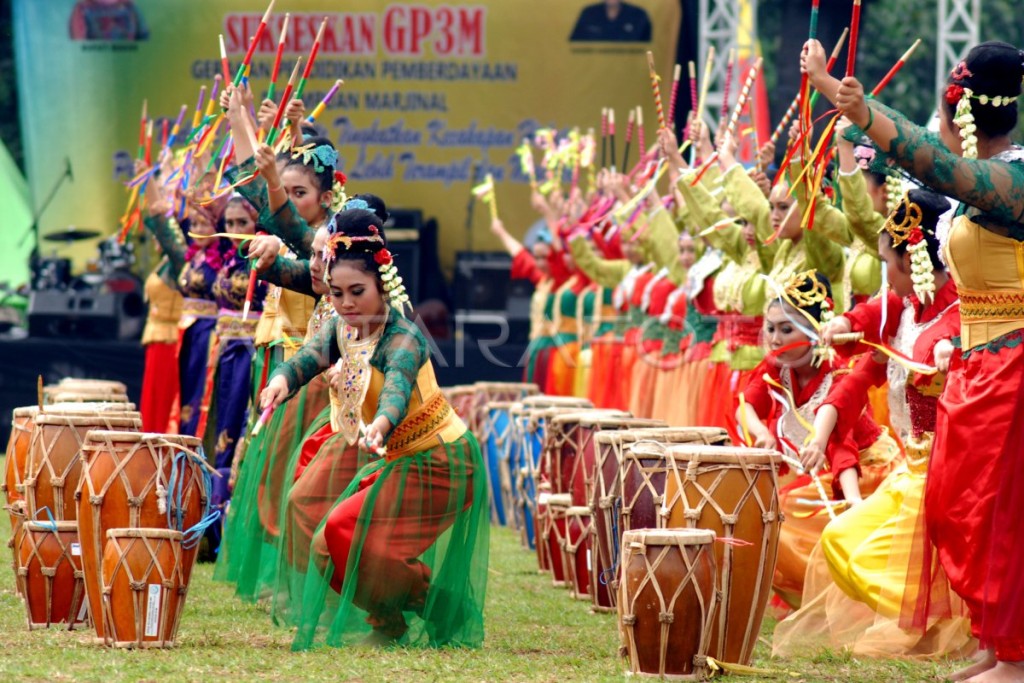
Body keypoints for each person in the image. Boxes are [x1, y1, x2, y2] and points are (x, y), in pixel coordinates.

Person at [804, 38, 1024, 682]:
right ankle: (994, 639)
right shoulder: (983, 184)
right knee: (960, 507)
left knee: (1001, 509)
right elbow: (929, 176)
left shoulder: (1010, 178)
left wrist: (859, 108)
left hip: (1013, 362)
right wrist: (847, 110)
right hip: (980, 367)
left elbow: (938, 169)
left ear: (959, 112)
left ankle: (1016, 660)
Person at [259, 208, 488, 648]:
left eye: (357, 292)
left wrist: (381, 425)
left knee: (345, 530)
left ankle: (419, 608)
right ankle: (409, 613)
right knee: (327, 543)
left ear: (383, 285)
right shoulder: (343, 328)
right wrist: (280, 382)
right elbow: (309, 358)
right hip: (400, 457)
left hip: (441, 460)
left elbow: (396, 391)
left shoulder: (401, 337)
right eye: (338, 292)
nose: (345, 303)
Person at [773, 189, 973, 659]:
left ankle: (937, 621)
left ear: (909, 262)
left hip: (948, 475)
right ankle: (925, 619)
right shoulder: (906, 312)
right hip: (912, 471)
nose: (883, 273)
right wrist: (821, 433)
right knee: (843, 541)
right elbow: (861, 370)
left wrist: (956, 356)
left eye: (886, 262)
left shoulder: (956, 322)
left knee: (856, 549)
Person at [736, 270, 901, 607]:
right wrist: (763, 433)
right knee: (776, 514)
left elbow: (843, 447)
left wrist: (854, 508)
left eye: (786, 329)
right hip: (831, 472)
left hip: (865, 472)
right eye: (770, 329)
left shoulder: (837, 375)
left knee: (788, 513)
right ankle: (818, 596)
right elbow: (746, 404)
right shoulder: (776, 369)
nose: (775, 339)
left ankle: (840, 596)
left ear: (814, 333)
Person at [570, 0, 652, 42]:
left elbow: (649, 48)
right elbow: (575, 44)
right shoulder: (588, 13)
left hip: (629, 68)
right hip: (593, 67)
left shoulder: (638, 15)